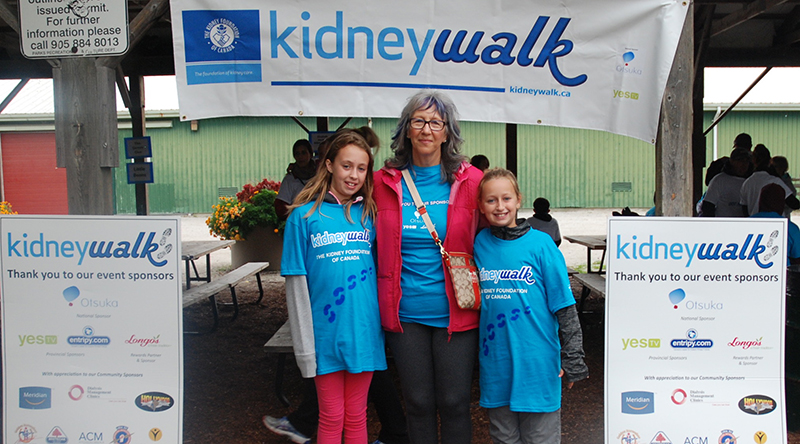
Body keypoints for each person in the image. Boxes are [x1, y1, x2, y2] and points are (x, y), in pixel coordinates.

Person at [374, 90, 483, 444]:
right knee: (418, 403)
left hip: (457, 308)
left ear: (448, 132)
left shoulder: (470, 181)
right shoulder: (381, 182)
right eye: (418, 121)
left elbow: (495, 230)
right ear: (406, 129)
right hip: (405, 312)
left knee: (454, 402)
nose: (426, 130)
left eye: (436, 123)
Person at [281, 130, 387, 443]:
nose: (354, 175)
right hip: (324, 334)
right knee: (330, 416)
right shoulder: (303, 217)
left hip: (363, 331)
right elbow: (296, 288)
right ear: (328, 165)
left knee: (357, 417)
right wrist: (304, 347)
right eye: (346, 166)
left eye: (362, 168)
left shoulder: (370, 215)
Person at [473, 168, 588, 444]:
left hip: (537, 365)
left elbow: (565, 306)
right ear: (480, 205)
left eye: (506, 198)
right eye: (491, 200)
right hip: (496, 365)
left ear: (518, 200)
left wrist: (573, 357)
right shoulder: (479, 244)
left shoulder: (541, 244)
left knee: (540, 438)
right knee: (503, 437)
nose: (500, 206)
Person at [740, 144, 799, 216]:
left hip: (754, 223)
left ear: (753, 161)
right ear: (770, 161)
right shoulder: (776, 181)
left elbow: (744, 209)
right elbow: (794, 204)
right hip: (776, 224)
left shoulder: (746, 183)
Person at [750, 183, 800, 265]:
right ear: (782, 202)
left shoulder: (746, 223)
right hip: (782, 273)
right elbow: (797, 257)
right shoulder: (790, 227)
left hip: (751, 274)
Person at [701, 148, 751, 217]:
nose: (744, 164)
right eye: (740, 161)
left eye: (746, 161)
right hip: (723, 225)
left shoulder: (752, 181)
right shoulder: (719, 180)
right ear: (732, 161)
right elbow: (708, 206)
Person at [275, 139, 316, 220]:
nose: (300, 157)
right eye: (297, 154)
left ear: (311, 154)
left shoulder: (320, 174)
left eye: (304, 153)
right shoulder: (290, 178)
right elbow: (281, 208)